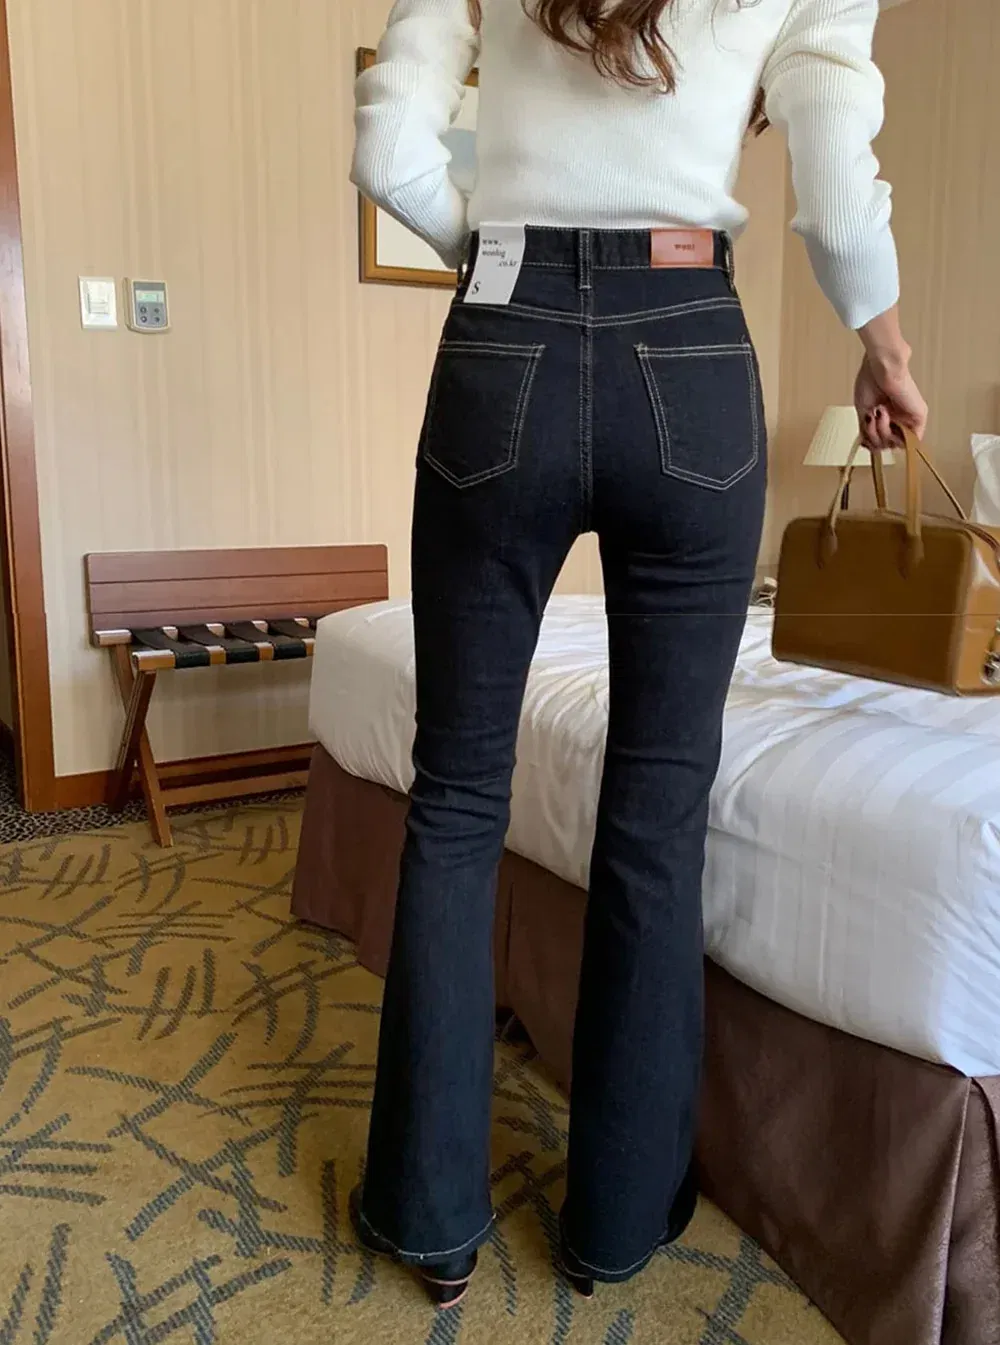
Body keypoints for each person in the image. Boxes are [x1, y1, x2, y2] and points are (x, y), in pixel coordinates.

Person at [348, 0, 929, 1310]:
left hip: (502, 335)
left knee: (457, 795)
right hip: (691, 348)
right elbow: (837, 192)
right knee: (659, 810)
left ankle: (430, 1218)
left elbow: (387, 150)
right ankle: (612, 1224)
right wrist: (884, 349)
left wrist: (496, 257)